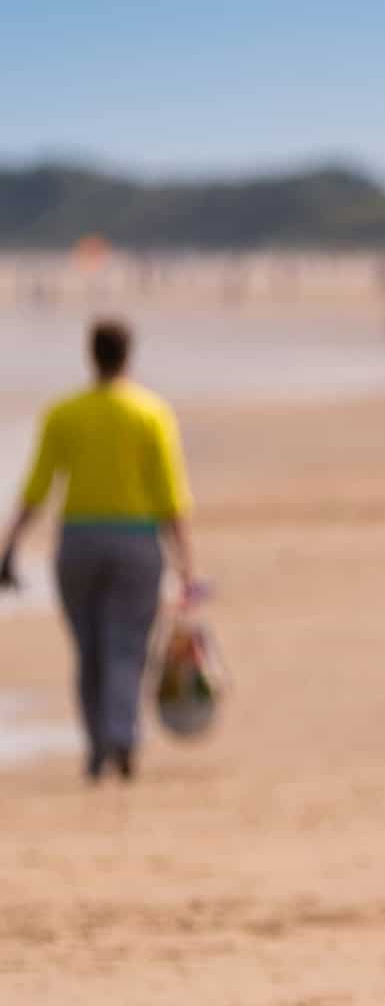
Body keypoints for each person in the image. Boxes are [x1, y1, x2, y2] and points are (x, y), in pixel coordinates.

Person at [0, 318, 206, 782]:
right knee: (126, 646)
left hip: (78, 543)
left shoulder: (64, 413)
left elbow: (36, 488)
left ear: (90, 355)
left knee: (89, 648)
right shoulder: (151, 413)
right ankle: (121, 736)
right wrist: (188, 568)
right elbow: (172, 497)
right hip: (136, 542)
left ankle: (98, 743)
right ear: (128, 355)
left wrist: (10, 546)